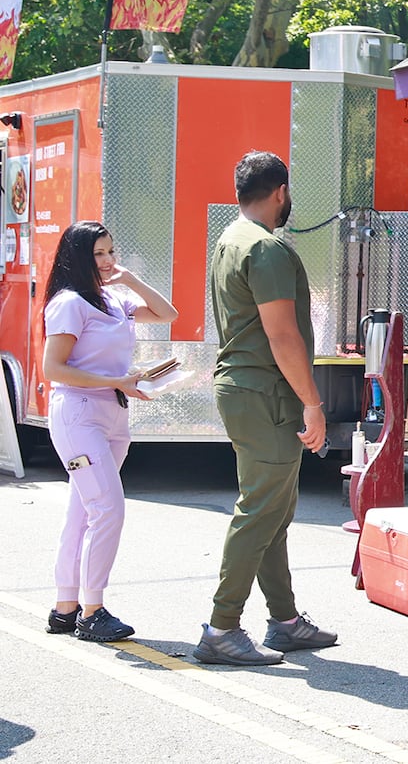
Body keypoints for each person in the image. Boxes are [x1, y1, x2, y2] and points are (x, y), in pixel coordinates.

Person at [193, 151, 337, 666]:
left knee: (273, 509)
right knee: (260, 511)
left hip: (244, 389)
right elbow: (282, 335)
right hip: (267, 394)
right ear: (280, 191)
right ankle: (221, 626)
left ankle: (284, 620)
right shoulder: (267, 247)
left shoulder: (230, 239)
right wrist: (313, 403)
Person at [41, 221, 178, 641]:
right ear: (77, 257)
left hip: (114, 416)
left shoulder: (114, 299)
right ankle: (92, 610)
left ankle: (66, 608)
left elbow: (168, 314)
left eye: (112, 252)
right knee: (108, 510)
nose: (107, 261)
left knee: (82, 511)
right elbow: (53, 369)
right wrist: (116, 382)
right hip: (78, 414)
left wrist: (132, 278)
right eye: (98, 254)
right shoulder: (68, 303)